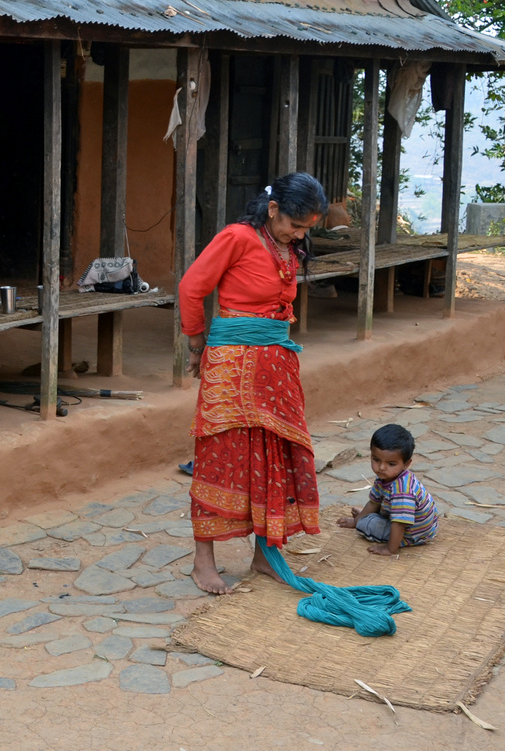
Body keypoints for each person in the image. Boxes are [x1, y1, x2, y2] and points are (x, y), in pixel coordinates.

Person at [178, 172, 328, 594]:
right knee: (220, 457)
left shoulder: (285, 245)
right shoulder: (237, 237)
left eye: (305, 230)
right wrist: (195, 343)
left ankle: (264, 553)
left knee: (271, 457)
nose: (299, 235)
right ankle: (202, 562)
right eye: (294, 225)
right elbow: (191, 288)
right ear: (274, 209)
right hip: (231, 367)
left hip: (275, 366)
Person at [337, 424, 439, 555]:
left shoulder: (402, 491)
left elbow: (399, 523)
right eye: (376, 460)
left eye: (391, 464)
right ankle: (366, 518)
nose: (382, 467)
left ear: (406, 464)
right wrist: (355, 521)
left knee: (365, 524)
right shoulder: (385, 477)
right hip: (403, 518)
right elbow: (374, 502)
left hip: (412, 533)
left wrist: (390, 549)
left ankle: (377, 527)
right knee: (365, 517)